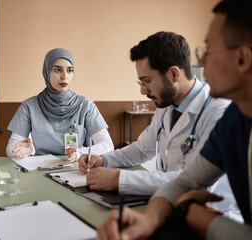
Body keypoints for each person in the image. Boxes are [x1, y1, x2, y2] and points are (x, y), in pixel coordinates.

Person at [97, 0, 252, 239]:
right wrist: (148, 220)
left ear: (243, 59)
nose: (200, 62)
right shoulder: (234, 120)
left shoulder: (220, 110)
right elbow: (186, 181)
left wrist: (188, 210)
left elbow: (196, 189)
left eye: (208, 51)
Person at [78, 31, 239, 221]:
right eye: (140, 82)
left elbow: (193, 181)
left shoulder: (218, 111)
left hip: (215, 217)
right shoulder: (166, 106)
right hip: (171, 205)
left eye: (147, 81)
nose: (142, 90)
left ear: (174, 74)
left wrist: (119, 179)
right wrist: (104, 160)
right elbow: (141, 150)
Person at [6, 48, 113, 161]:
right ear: (47, 72)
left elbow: (107, 145)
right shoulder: (29, 106)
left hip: (76, 168)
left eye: (69, 70)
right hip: (39, 169)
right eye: (57, 70)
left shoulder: (85, 105)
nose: (64, 76)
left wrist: (79, 153)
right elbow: (11, 148)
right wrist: (27, 149)